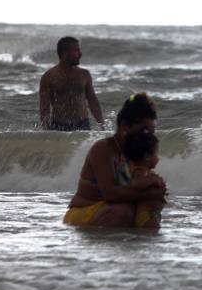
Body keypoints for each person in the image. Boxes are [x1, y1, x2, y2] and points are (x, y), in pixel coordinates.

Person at [63, 93, 166, 227]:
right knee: (123, 211)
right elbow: (110, 194)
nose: (148, 137)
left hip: (113, 209)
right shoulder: (103, 149)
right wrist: (149, 193)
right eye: (143, 131)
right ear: (124, 126)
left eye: (150, 132)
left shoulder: (138, 152)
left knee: (148, 209)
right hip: (84, 212)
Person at [39, 36, 104, 131]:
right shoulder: (48, 77)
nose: (80, 54)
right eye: (76, 51)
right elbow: (44, 109)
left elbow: (93, 101)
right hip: (59, 126)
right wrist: (47, 131)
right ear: (65, 53)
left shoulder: (84, 74)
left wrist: (102, 125)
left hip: (83, 124)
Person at [122, 131, 166, 229]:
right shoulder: (140, 171)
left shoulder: (143, 171)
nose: (158, 157)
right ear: (147, 157)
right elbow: (136, 184)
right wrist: (154, 181)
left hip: (151, 214)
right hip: (147, 216)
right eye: (156, 153)